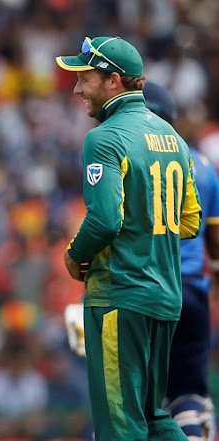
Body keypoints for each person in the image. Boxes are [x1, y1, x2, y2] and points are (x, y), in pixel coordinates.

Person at [57, 36, 201, 440]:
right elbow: (188, 221)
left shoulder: (104, 137)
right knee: (154, 417)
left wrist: (73, 255)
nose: (77, 88)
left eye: (85, 78)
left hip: (121, 294)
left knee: (120, 425)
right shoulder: (174, 138)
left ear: (113, 81)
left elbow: (104, 221)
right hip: (165, 298)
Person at [143, 82, 219, 441]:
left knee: (129, 398)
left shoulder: (125, 156)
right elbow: (215, 243)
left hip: (142, 290)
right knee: (188, 393)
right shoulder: (202, 165)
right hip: (191, 290)